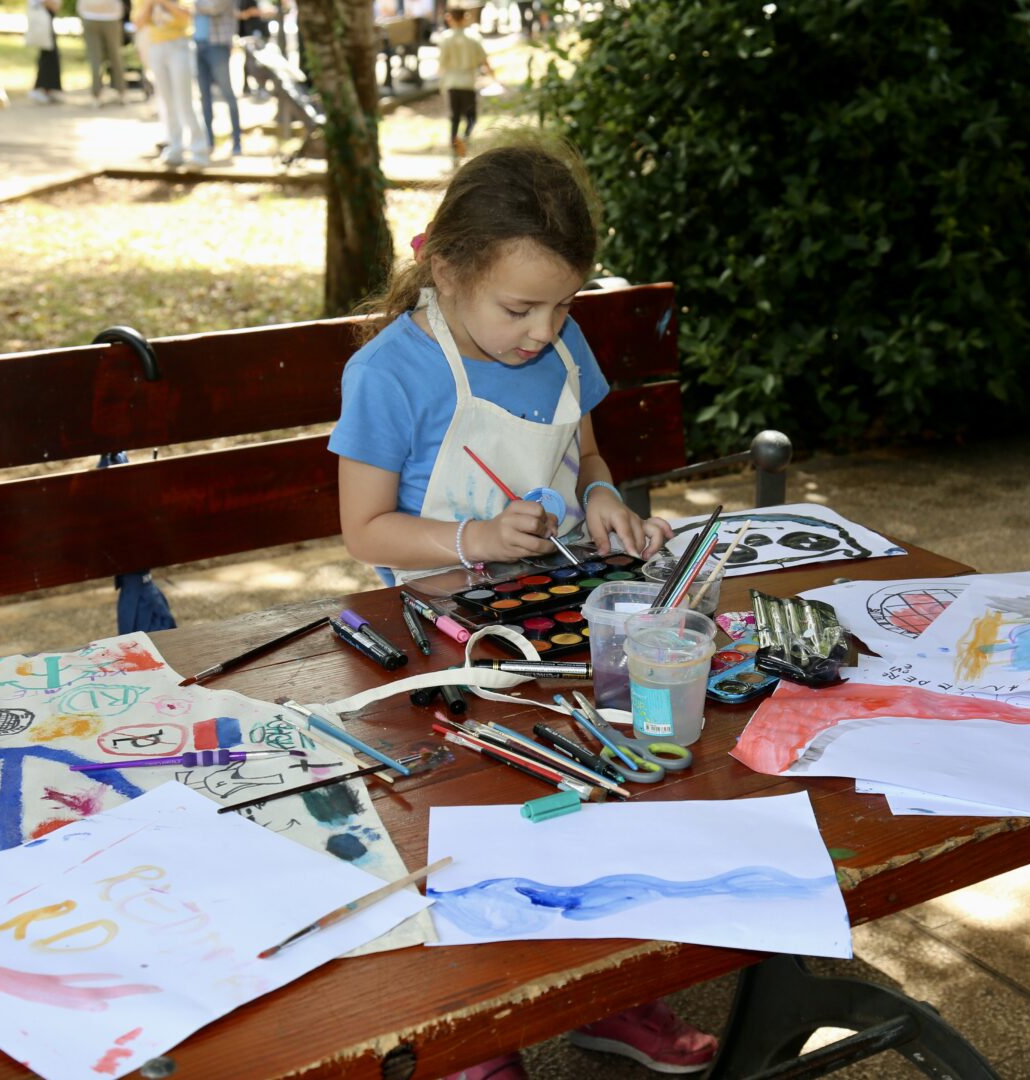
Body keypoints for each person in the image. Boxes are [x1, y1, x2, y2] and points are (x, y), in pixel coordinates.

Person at [329, 136, 715, 1079]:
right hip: (438, 642)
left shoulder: (560, 344)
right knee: (471, 825)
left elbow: (585, 454)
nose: (544, 331)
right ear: (448, 270)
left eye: (563, 306)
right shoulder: (391, 372)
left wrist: (603, 498)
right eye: (519, 309)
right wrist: (473, 539)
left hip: (557, 615)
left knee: (600, 791)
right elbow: (365, 529)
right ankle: (478, 1032)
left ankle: (611, 990)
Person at [135, 0, 206, 166]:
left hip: (179, 45)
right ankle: (175, 148)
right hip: (155, 46)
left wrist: (163, 2)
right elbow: (138, 23)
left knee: (185, 101)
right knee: (167, 102)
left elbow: (186, 15)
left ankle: (199, 151)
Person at [436, 2, 491, 163]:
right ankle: (464, 139)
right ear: (466, 17)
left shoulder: (445, 38)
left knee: (454, 118)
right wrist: (493, 76)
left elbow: (441, 64)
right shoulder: (473, 37)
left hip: (451, 83)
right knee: (471, 118)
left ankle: (455, 147)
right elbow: (484, 60)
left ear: (449, 18)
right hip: (468, 83)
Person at [192, 0, 239, 158]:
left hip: (218, 45)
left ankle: (237, 142)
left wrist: (191, 5)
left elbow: (213, 8)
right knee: (204, 97)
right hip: (198, 44)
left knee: (228, 95)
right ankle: (208, 142)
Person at [79, 0, 128, 105]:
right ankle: (121, 92)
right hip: (109, 15)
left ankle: (97, 96)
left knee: (96, 58)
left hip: (90, 14)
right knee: (115, 56)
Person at [26, 0, 63, 104]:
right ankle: (41, 88)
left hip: (47, 22)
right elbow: (52, 4)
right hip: (44, 23)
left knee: (50, 56)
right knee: (48, 56)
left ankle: (48, 89)